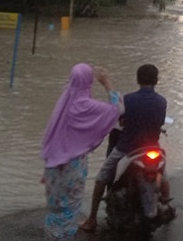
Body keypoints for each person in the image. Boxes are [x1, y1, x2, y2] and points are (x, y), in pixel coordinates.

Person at [79, 64, 171, 232]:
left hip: (127, 149)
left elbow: (117, 113)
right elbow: (159, 122)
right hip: (153, 148)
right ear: (156, 80)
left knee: (101, 179)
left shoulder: (127, 100)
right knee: (164, 177)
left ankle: (92, 219)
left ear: (137, 80)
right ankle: (167, 204)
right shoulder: (162, 101)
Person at [40, 64, 122, 240]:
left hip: (53, 168)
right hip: (73, 167)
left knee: (54, 210)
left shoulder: (63, 103)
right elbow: (117, 109)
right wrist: (107, 82)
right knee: (69, 211)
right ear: (88, 82)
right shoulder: (86, 106)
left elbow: (51, 136)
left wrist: (46, 168)